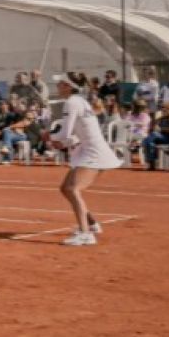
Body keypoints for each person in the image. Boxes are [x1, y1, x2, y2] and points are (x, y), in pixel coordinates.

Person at [49, 73, 122, 246]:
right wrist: (65, 141)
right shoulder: (80, 101)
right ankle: (92, 224)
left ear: (68, 86)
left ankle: (85, 234)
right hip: (89, 149)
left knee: (73, 189)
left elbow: (65, 133)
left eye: (60, 83)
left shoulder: (72, 102)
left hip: (93, 153)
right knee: (65, 189)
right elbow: (83, 131)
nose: (57, 85)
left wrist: (50, 136)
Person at [142, 100, 169, 170]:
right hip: (163, 138)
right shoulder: (162, 118)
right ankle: (151, 162)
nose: (163, 109)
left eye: (165, 108)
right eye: (162, 108)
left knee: (152, 136)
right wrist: (155, 121)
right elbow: (152, 129)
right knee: (149, 141)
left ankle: (151, 162)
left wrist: (162, 129)